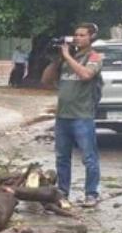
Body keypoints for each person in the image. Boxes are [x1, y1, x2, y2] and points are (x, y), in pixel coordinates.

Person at [41, 23, 104, 208]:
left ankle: (91, 193)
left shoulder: (94, 56)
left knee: (89, 157)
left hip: (82, 116)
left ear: (91, 37)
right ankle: (62, 191)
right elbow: (45, 80)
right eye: (75, 35)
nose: (77, 38)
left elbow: (86, 75)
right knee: (62, 157)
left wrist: (68, 56)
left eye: (82, 35)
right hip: (63, 116)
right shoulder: (67, 59)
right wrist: (56, 60)